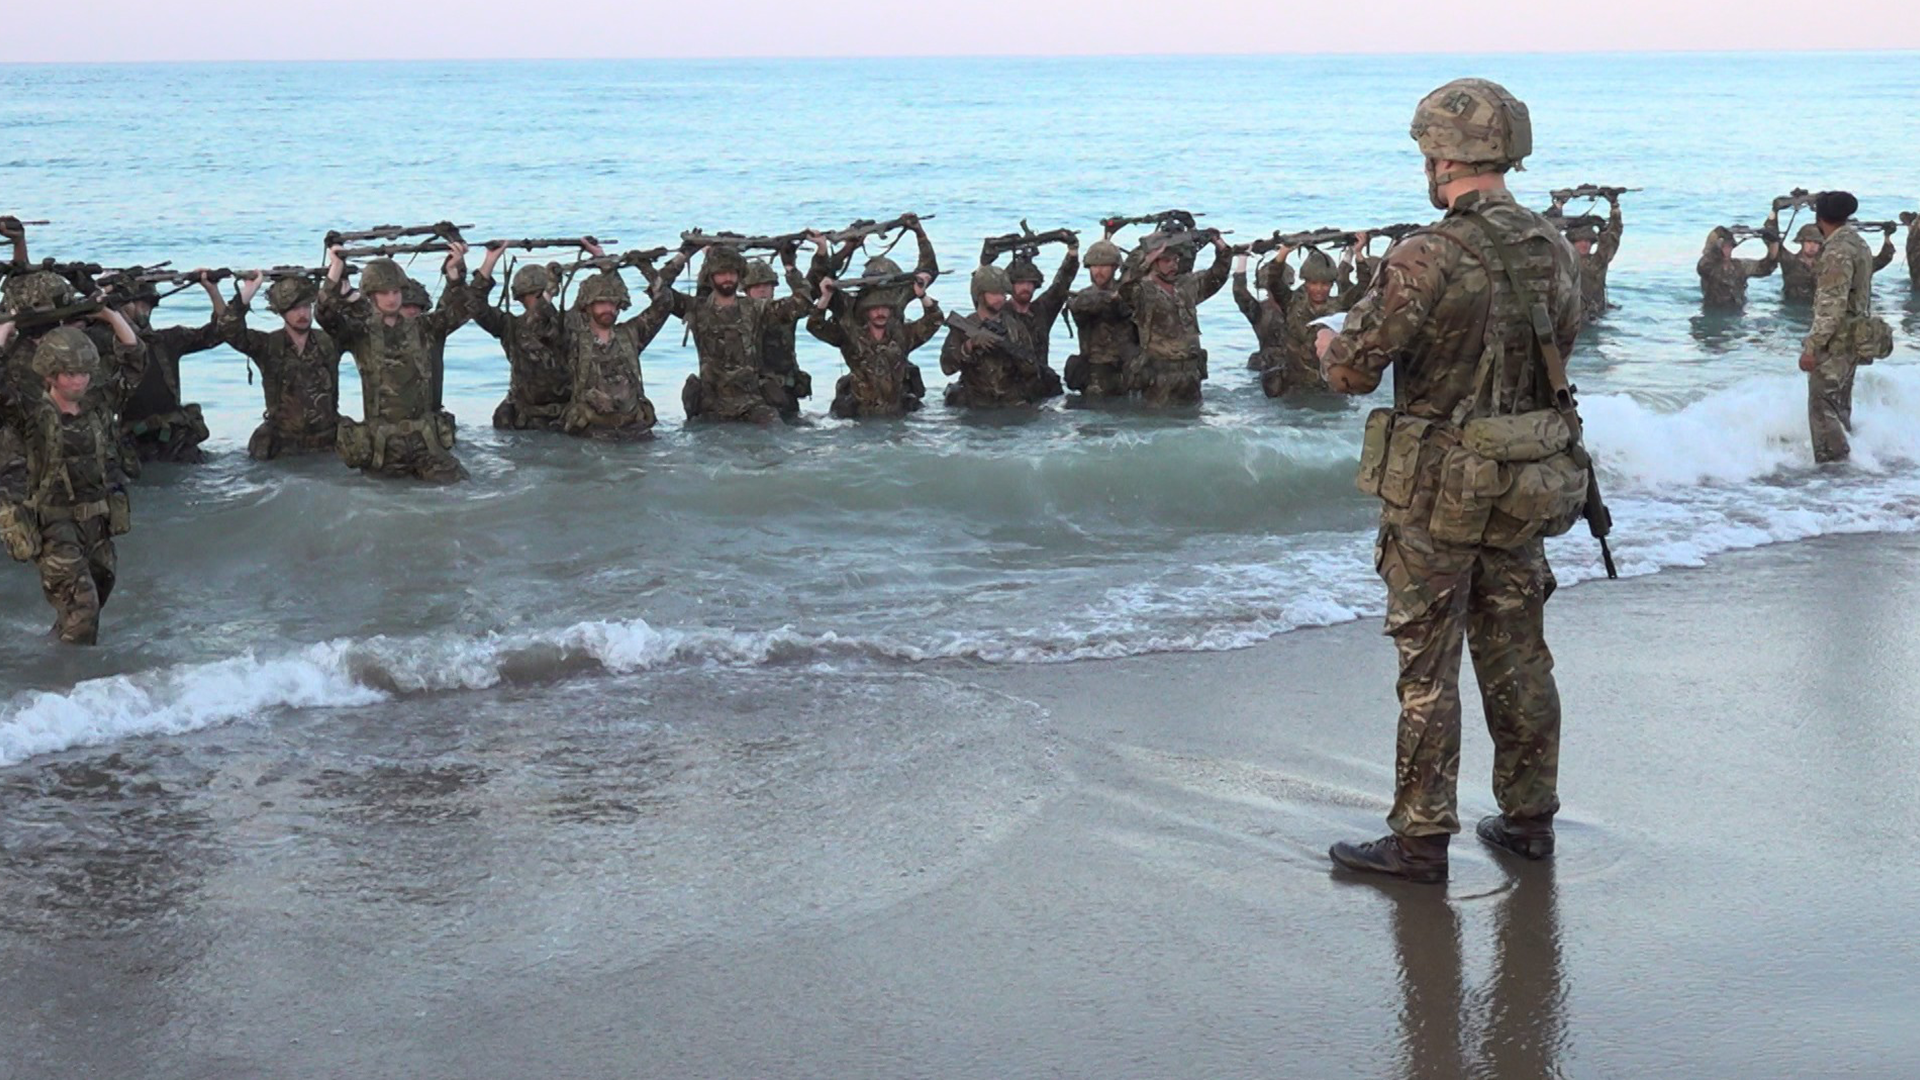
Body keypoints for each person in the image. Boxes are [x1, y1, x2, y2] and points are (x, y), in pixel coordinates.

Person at [1317, 77, 1585, 884]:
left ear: (1439, 158)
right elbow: (1560, 350)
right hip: (1524, 483)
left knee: (1427, 669)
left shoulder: (1425, 254)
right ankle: (1529, 820)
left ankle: (1421, 840)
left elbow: (1353, 372)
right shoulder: (1553, 247)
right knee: (1519, 653)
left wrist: (1326, 344)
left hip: (1437, 496)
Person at [0, 323, 140, 644]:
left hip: (97, 522)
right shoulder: (32, 413)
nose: (79, 381)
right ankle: (75, 673)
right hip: (54, 526)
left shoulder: (98, 405)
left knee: (95, 598)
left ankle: (54, 656)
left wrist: (109, 314)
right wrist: (7, 326)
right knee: (83, 607)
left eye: (85, 373)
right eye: (70, 374)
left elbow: (133, 363)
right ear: (50, 375)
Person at [318, 246, 474, 481]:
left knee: (459, 486)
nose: (391, 299)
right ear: (371, 295)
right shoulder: (359, 333)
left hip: (425, 443)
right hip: (383, 446)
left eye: (395, 292)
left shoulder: (423, 328)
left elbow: (460, 311)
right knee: (380, 497)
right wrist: (335, 270)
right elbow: (325, 315)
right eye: (384, 293)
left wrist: (454, 274)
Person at [667, 241, 818, 425]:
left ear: (739, 276)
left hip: (751, 404)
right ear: (711, 276)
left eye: (732, 273)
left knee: (775, 430)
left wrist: (790, 267)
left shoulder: (756, 309)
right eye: (721, 273)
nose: (728, 278)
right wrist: (682, 257)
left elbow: (801, 304)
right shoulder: (697, 309)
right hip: (710, 405)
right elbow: (659, 292)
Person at [219, 272, 344, 459]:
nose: (302, 314)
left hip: (327, 444)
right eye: (294, 308)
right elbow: (229, 330)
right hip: (283, 446)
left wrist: (337, 277)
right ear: (281, 312)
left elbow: (355, 324)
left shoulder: (328, 342)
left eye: (306, 306)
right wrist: (248, 292)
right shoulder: (269, 345)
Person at [559, 254, 680, 440]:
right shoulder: (574, 338)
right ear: (588, 306)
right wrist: (551, 286)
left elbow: (664, 303)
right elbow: (546, 323)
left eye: (612, 303)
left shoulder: (630, 334)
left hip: (634, 430)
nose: (608, 309)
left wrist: (644, 267)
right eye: (601, 303)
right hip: (592, 432)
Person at [1799, 191, 1878, 464]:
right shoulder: (1859, 244)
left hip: (1836, 341)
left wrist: (1812, 346)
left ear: (1820, 218)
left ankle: (1833, 470)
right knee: (1840, 405)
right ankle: (1846, 474)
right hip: (1854, 337)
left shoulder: (1836, 250)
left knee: (1821, 404)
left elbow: (1832, 305)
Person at [117, 271, 227, 464]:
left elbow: (220, 332)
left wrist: (212, 290)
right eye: (136, 303)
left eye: (149, 304)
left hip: (174, 438)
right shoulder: (106, 347)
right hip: (133, 441)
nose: (144, 309)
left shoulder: (167, 340)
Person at [807, 271, 940, 419]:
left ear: (891, 310)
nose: (880, 313)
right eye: (874, 308)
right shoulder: (850, 337)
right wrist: (825, 297)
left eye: (885, 308)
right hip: (860, 415)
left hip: (896, 413)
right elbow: (815, 325)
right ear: (866, 311)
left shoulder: (903, 336)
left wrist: (922, 295)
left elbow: (934, 320)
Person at [469, 244, 573, 431]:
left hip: (565, 415)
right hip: (524, 417)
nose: (533, 301)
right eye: (528, 297)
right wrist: (490, 260)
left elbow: (603, 305)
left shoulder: (568, 324)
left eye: (538, 295)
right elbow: (475, 306)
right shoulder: (510, 326)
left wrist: (601, 260)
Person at [1122, 232, 1232, 405]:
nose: (1172, 265)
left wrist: (1221, 247)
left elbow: (1217, 276)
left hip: (1189, 375)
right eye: (1166, 260)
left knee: (1193, 417)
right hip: (1159, 376)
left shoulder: (1186, 285)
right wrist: (1146, 261)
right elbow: (1125, 289)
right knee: (1159, 419)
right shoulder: (1143, 290)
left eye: (1175, 260)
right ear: (1154, 262)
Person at [941, 265, 1039, 409]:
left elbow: (1032, 371)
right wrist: (969, 346)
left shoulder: (1015, 327)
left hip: (1011, 401)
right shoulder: (965, 327)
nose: (1000, 298)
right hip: (976, 401)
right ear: (980, 295)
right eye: (994, 293)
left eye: (1003, 294)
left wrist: (1015, 356)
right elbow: (947, 368)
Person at [1264, 248, 1356, 397]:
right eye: (1313, 283)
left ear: (1332, 285)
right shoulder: (1291, 303)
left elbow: (1364, 289)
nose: (1319, 289)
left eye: (1325, 284)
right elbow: (1273, 281)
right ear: (1305, 283)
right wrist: (1283, 253)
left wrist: (1357, 254)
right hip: (1296, 384)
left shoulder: (1340, 307)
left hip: (1328, 386)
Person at [999, 241, 1079, 401]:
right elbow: (982, 298)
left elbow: (1060, 286)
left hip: (1039, 387)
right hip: (1009, 389)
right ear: (1010, 285)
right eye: (1020, 283)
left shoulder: (1041, 311)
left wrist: (1072, 254)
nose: (1026, 287)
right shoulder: (1000, 313)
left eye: (1030, 283)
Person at [1063, 239, 1135, 399]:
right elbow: (1083, 307)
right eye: (1094, 266)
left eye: (1104, 266)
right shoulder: (1084, 297)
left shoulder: (1128, 293)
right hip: (1096, 373)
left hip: (1127, 371)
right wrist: (1112, 299)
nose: (1098, 271)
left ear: (1115, 267)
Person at [746, 253, 815, 420]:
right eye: (756, 286)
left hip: (784, 393)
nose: (762, 290)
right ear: (746, 290)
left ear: (773, 288)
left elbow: (805, 299)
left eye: (766, 285)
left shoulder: (782, 310)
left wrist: (790, 269)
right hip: (752, 396)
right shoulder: (737, 313)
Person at [1777, 218, 1896, 306]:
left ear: (1822, 244)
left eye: (1816, 242)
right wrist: (1774, 214)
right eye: (1808, 242)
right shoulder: (1790, 262)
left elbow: (1877, 262)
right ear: (1801, 242)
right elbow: (1774, 244)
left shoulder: (1833, 262)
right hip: (1793, 309)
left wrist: (1887, 237)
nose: (1812, 246)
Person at [1547, 190, 1623, 321]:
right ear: (1572, 242)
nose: (1585, 244)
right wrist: (1558, 206)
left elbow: (1613, 237)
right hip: (1569, 316)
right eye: (1580, 241)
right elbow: (1547, 233)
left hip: (1594, 314)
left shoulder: (1597, 261)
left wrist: (1614, 206)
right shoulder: (1562, 260)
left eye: (1588, 241)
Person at [1231, 251, 1291, 375]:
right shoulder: (1260, 311)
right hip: (1268, 368)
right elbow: (1239, 292)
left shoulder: (1297, 305)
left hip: (1294, 367)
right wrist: (1242, 258)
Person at [1696, 226, 1778, 310]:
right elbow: (1704, 261)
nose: (1727, 250)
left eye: (1729, 246)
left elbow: (1765, 267)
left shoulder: (1740, 266)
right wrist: (1720, 234)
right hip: (1713, 310)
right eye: (1723, 246)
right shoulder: (1708, 267)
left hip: (1737, 310)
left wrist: (1773, 242)